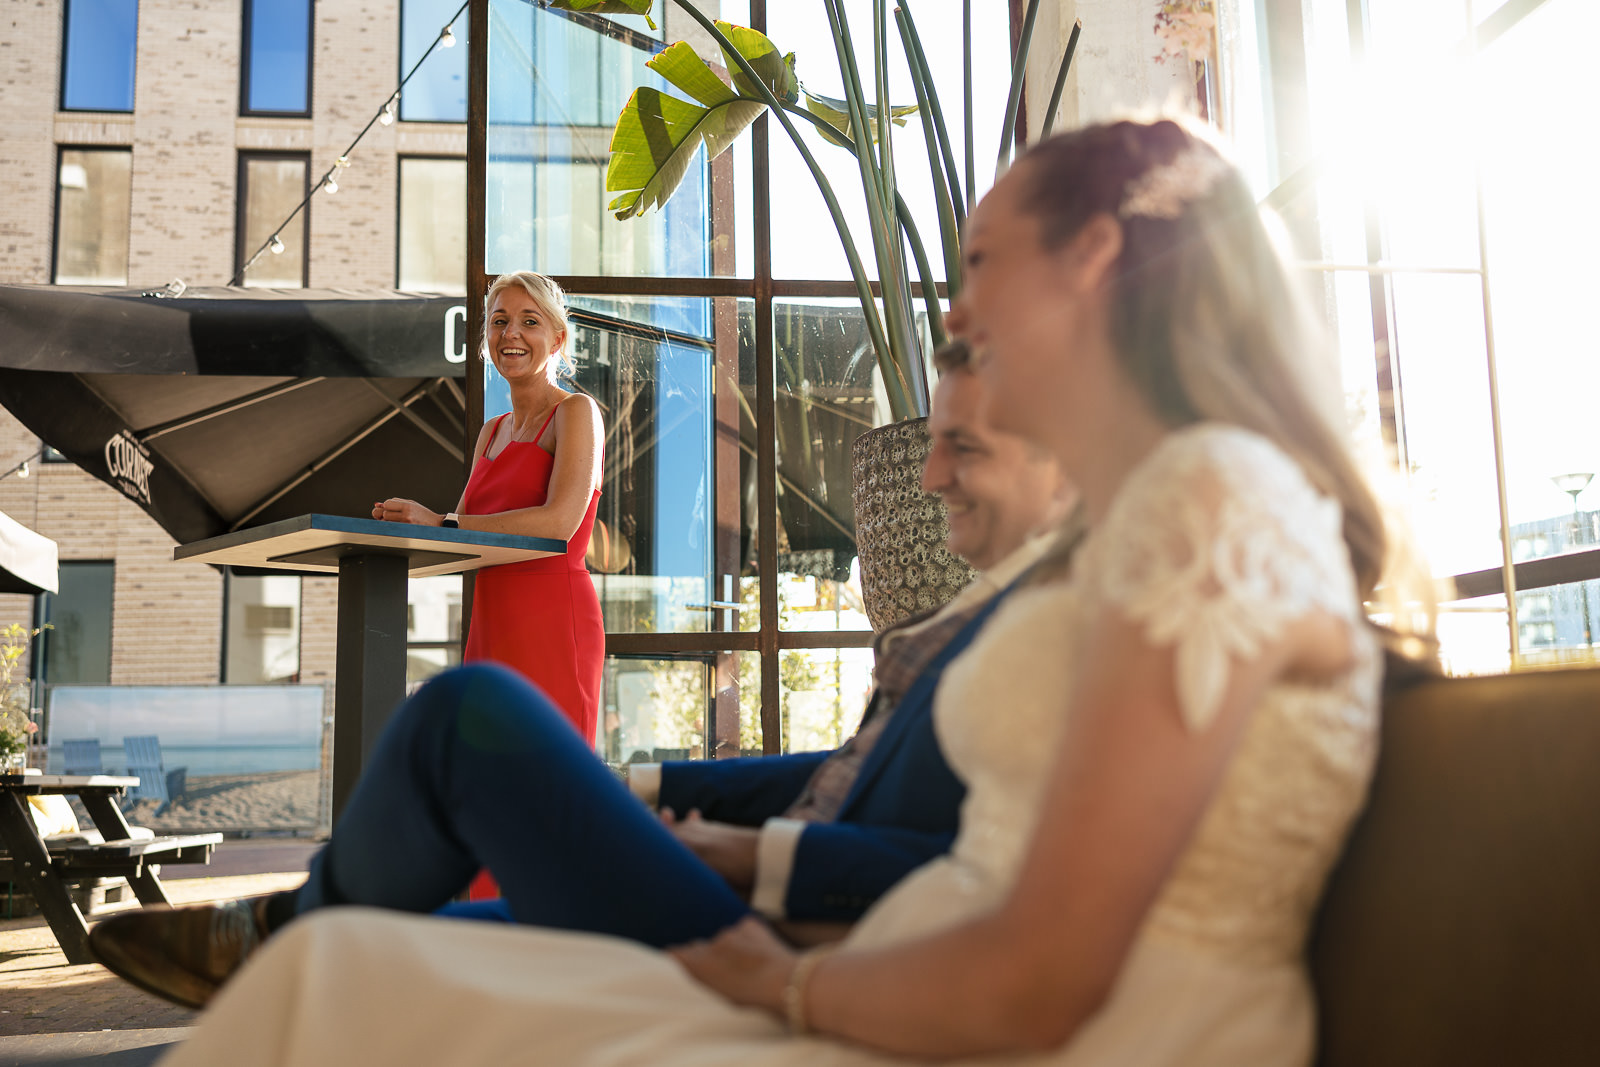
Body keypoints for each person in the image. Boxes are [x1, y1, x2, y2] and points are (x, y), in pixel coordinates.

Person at [149, 117, 1407, 1067]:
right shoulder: (1148, 519)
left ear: (1092, 261)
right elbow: (979, 826)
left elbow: (1043, 968)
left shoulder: (1210, 506)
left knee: (453, 750)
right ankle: (294, 931)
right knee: (361, 939)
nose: (957, 309)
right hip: (893, 938)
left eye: (980, 262)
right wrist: (738, 848)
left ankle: (283, 930)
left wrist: (786, 976)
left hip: (1005, 1006)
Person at [87, 351, 1074, 1004]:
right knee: (397, 945)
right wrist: (647, 789)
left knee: (467, 717)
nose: (931, 474)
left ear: (1059, 460)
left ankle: (277, 932)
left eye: (963, 446)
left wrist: (760, 861)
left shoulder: (1070, 635)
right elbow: (858, 763)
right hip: (777, 871)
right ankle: (294, 942)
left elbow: (1009, 874)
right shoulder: (1001, 610)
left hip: (802, 921)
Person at [373, 270, 605, 745]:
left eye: (529, 321)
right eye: (499, 321)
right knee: (485, 783)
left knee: (544, 781)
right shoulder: (491, 432)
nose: (511, 334)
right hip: (491, 623)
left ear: (557, 338)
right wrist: (400, 533)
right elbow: (458, 540)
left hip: (553, 622)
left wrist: (440, 521)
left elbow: (560, 523)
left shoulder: (576, 412)